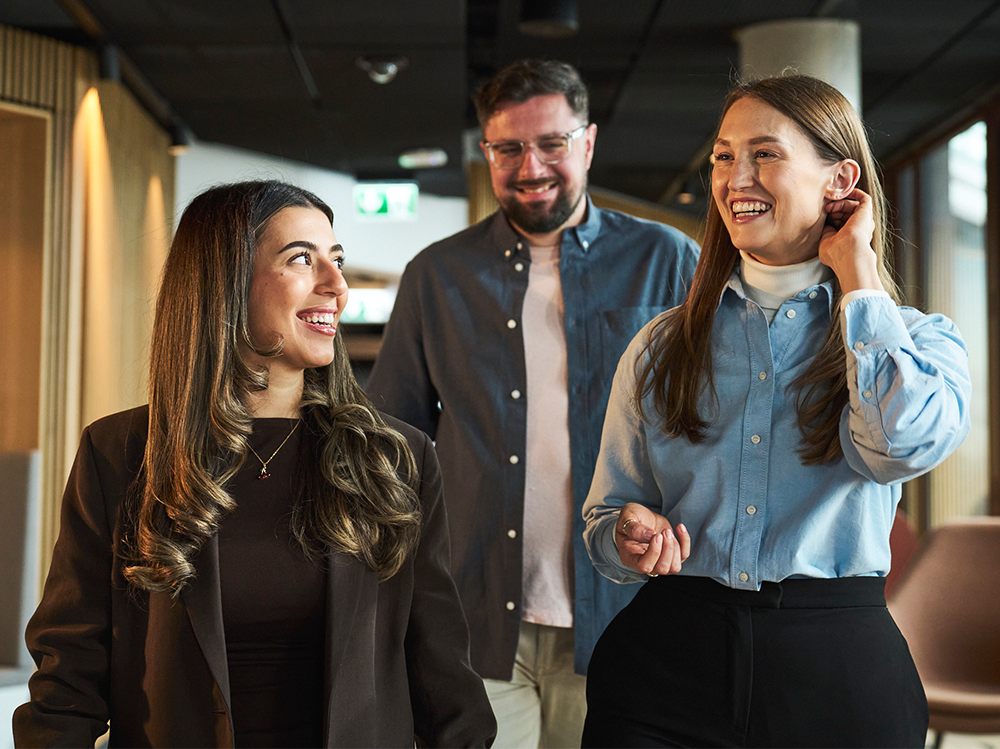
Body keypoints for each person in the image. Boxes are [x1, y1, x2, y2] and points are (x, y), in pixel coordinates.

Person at [13, 180, 496, 748]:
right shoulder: (120, 453)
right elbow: (68, 674)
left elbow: (442, 675)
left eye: (335, 261)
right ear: (226, 281)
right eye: (301, 259)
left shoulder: (397, 458)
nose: (337, 286)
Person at [581, 74, 972, 748]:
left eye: (765, 153)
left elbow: (897, 446)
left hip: (836, 668)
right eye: (724, 157)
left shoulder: (920, 340)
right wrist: (625, 535)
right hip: (665, 665)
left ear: (839, 180)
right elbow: (605, 521)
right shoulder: (661, 346)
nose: (737, 177)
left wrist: (859, 280)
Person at [366, 59, 700, 748]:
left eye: (551, 143)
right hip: (477, 618)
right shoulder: (437, 275)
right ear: (486, 152)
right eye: (508, 148)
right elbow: (391, 442)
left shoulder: (669, 261)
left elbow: (715, 423)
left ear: (588, 142)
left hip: (629, 613)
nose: (531, 166)